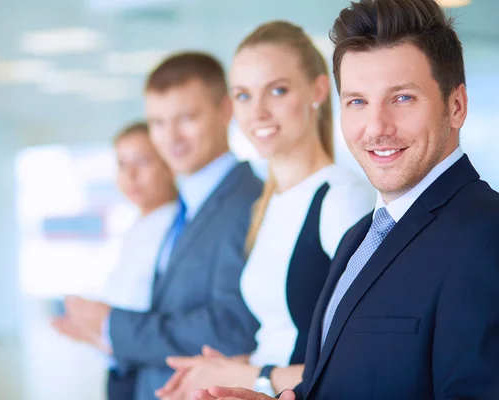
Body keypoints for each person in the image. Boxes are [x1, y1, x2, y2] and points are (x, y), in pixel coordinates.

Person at [191, 0, 499, 399]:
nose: (376, 127)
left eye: (402, 98)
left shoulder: (486, 236)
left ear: (456, 106)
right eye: (357, 102)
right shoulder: (360, 238)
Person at [154, 21, 375, 400]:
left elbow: (366, 362)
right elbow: (279, 335)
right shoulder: (268, 202)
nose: (257, 113)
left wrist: (248, 374)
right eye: (242, 96)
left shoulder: (341, 198)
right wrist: (216, 373)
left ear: (318, 90)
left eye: (277, 90)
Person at [56, 52, 264, 400]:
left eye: (186, 118)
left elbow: (232, 327)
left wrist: (113, 326)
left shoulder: (249, 202)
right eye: (158, 122)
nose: (171, 137)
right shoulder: (181, 206)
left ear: (226, 110)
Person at [53, 121, 178, 399]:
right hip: (121, 365)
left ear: (170, 164)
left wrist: (102, 332)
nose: (130, 175)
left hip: (145, 369)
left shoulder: (176, 226)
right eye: (122, 164)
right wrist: (91, 330)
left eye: (143, 162)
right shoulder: (138, 224)